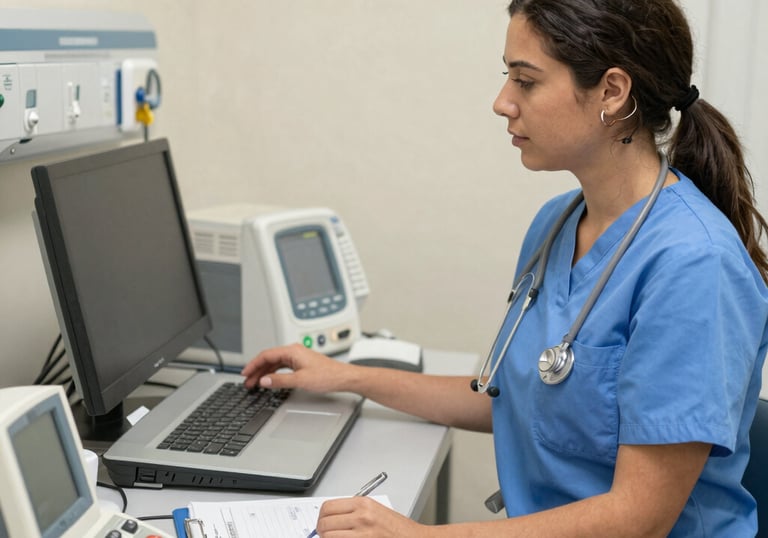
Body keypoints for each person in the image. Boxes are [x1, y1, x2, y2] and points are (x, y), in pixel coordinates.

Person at [242, 0, 768, 535]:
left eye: (526, 81)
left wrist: (422, 536)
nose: (502, 102)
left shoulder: (694, 265)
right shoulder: (556, 226)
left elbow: (639, 519)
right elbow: (510, 395)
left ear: (612, 91)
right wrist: (348, 378)